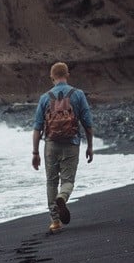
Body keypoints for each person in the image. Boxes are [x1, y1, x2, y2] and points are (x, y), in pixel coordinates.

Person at [31, 62, 94, 234]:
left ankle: (55, 222)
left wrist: (35, 152)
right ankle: (63, 197)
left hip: (51, 145)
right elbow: (87, 124)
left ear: (52, 77)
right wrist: (90, 146)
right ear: (67, 75)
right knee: (67, 181)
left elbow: (37, 128)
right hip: (72, 143)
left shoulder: (45, 98)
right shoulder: (78, 94)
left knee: (51, 181)